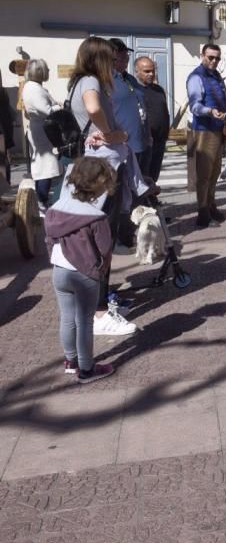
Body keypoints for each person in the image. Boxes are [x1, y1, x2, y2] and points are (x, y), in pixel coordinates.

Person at [68, 36, 151, 336]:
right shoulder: (90, 80)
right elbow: (92, 108)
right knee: (103, 239)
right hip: (104, 169)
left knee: (102, 239)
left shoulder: (81, 80)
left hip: (101, 167)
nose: (113, 62)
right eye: (108, 57)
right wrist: (112, 133)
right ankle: (100, 312)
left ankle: (99, 303)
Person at [44, 156, 117, 383]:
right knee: (85, 321)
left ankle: (70, 361)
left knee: (67, 317)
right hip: (84, 272)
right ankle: (87, 369)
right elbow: (104, 247)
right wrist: (103, 266)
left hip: (59, 269)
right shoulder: (96, 217)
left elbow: (49, 238)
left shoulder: (56, 209)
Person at [186, 43, 226, 227]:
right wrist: (210, 111)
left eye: (217, 58)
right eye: (210, 57)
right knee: (204, 173)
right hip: (203, 129)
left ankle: (211, 205)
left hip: (218, 128)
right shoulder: (196, 76)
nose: (214, 61)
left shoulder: (216, 75)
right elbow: (194, 105)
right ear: (202, 55)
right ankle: (202, 210)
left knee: (215, 171)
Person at [21, 58, 62, 210]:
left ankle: (41, 199)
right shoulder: (34, 89)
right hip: (41, 130)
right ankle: (42, 200)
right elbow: (47, 111)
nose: (49, 72)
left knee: (42, 166)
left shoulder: (32, 87)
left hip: (40, 129)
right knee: (46, 167)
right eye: (47, 69)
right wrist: (59, 106)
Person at [108, 38, 151, 176]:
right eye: (122, 55)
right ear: (112, 58)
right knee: (128, 187)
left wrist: (148, 133)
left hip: (142, 141)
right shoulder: (106, 81)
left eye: (127, 54)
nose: (126, 58)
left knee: (144, 182)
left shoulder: (130, 79)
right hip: (124, 144)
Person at [134, 57, 170, 183]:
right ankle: (143, 199)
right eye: (147, 71)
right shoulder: (134, 91)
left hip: (160, 139)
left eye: (153, 71)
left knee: (155, 170)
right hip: (144, 140)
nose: (151, 74)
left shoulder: (159, 90)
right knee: (143, 172)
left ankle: (152, 196)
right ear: (137, 71)